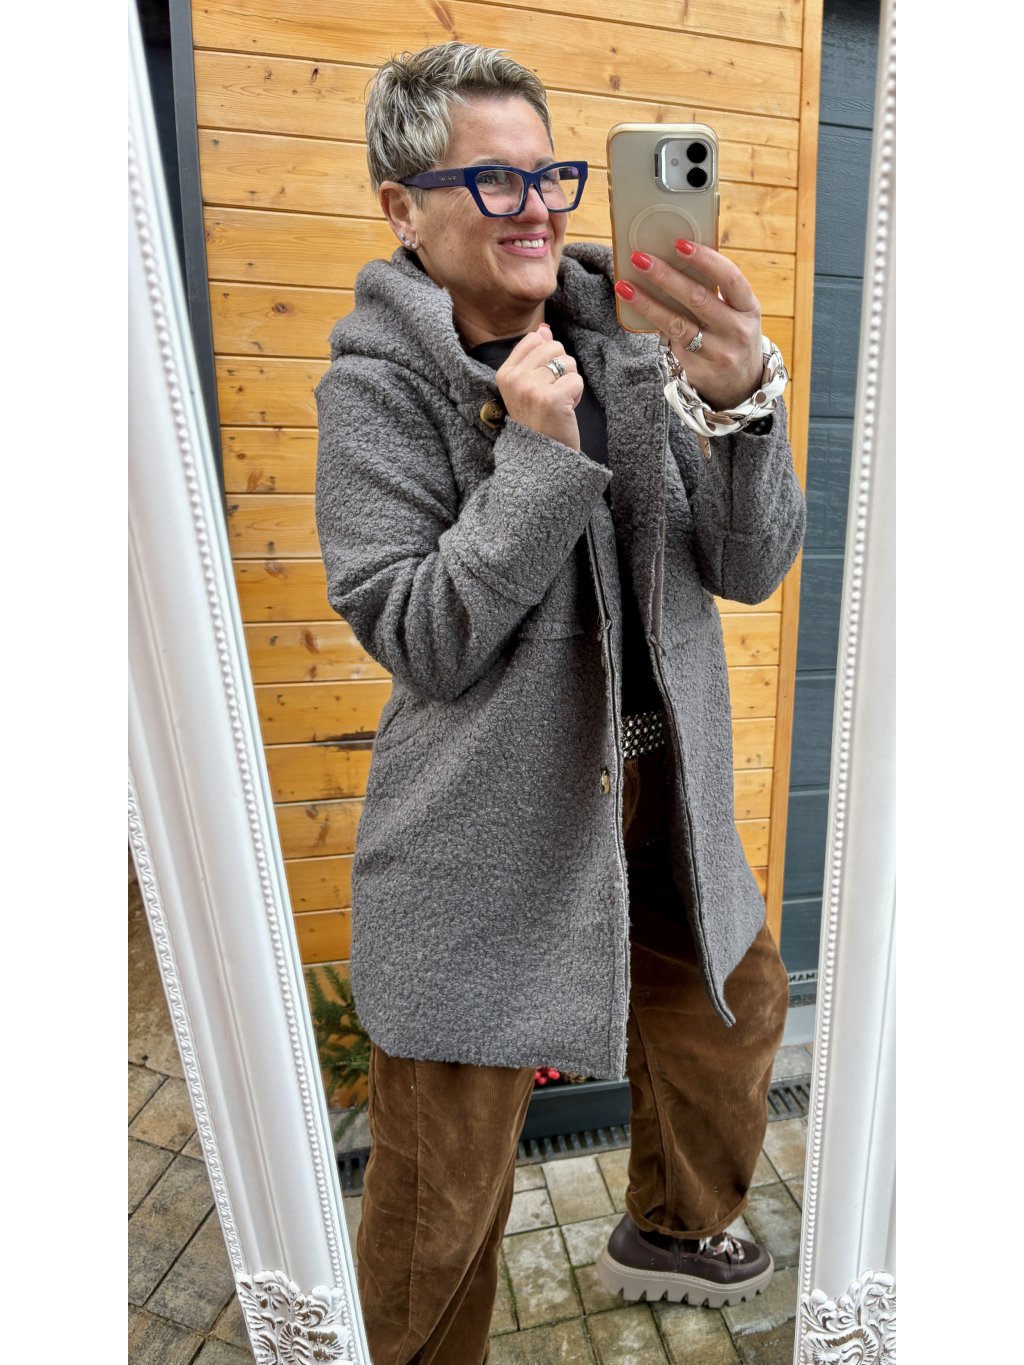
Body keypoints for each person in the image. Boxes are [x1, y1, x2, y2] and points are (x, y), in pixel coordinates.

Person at [314, 41, 807, 1365]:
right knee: (444, 1158)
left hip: (664, 786)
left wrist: (738, 406)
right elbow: (420, 636)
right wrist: (533, 463)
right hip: (486, 826)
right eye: (495, 179)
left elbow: (751, 567)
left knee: (734, 1005)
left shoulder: (633, 334)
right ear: (402, 206)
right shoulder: (374, 389)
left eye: (552, 174)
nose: (537, 207)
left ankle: (675, 1229)